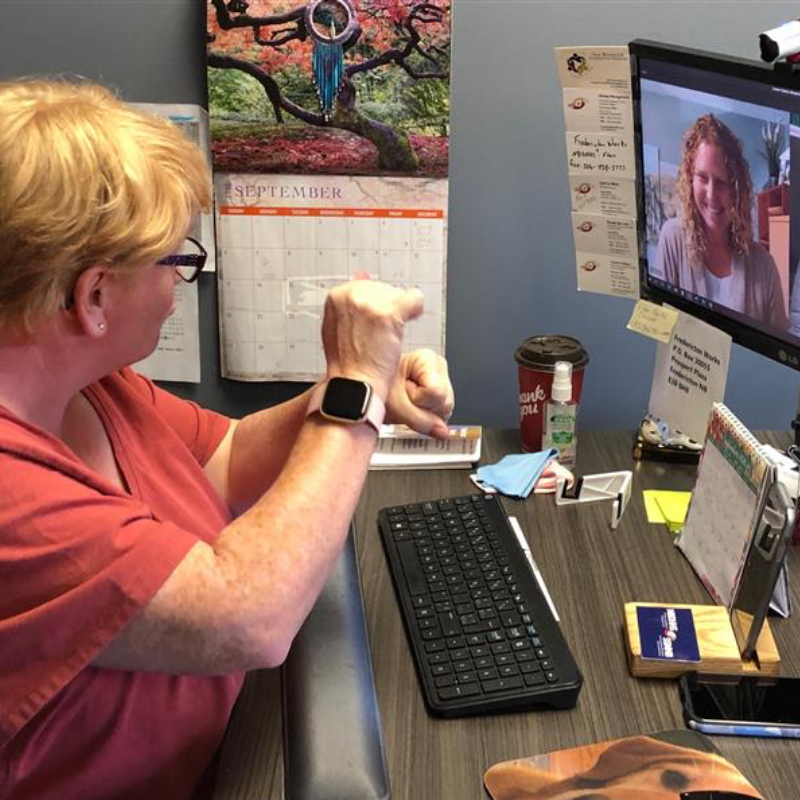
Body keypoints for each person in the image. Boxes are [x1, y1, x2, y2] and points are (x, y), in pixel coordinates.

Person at [0, 79, 454, 799]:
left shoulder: (90, 384)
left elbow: (226, 458)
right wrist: (352, 391)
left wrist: (365, 393)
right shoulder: (12, 496)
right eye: (175, 261)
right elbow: (248, 618)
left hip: (230, 755)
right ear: (92, 297)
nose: (180, 285)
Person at [654, 113, 788, 330]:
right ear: (689, 178)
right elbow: (661, 331)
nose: (711, 195)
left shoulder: (764, 266)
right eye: (702, 178)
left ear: (737, 189)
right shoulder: (672, 238)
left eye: (722, 182)